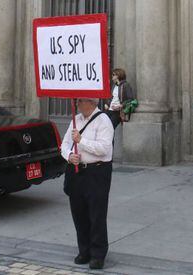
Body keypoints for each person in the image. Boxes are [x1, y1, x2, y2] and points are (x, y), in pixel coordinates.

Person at [61, 98, 114, 270]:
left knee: (96, 213)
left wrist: (81, 140)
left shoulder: (104, 120)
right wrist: (69, 155)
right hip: (77, 171)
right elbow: (64, 144)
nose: (77, 104)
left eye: (80, 101)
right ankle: (84, 250)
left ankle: (98, 254)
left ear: (90, 102)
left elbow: (104, 148)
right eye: (77, 101)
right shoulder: (75, 120)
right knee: (79, 212)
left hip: (97, 172)